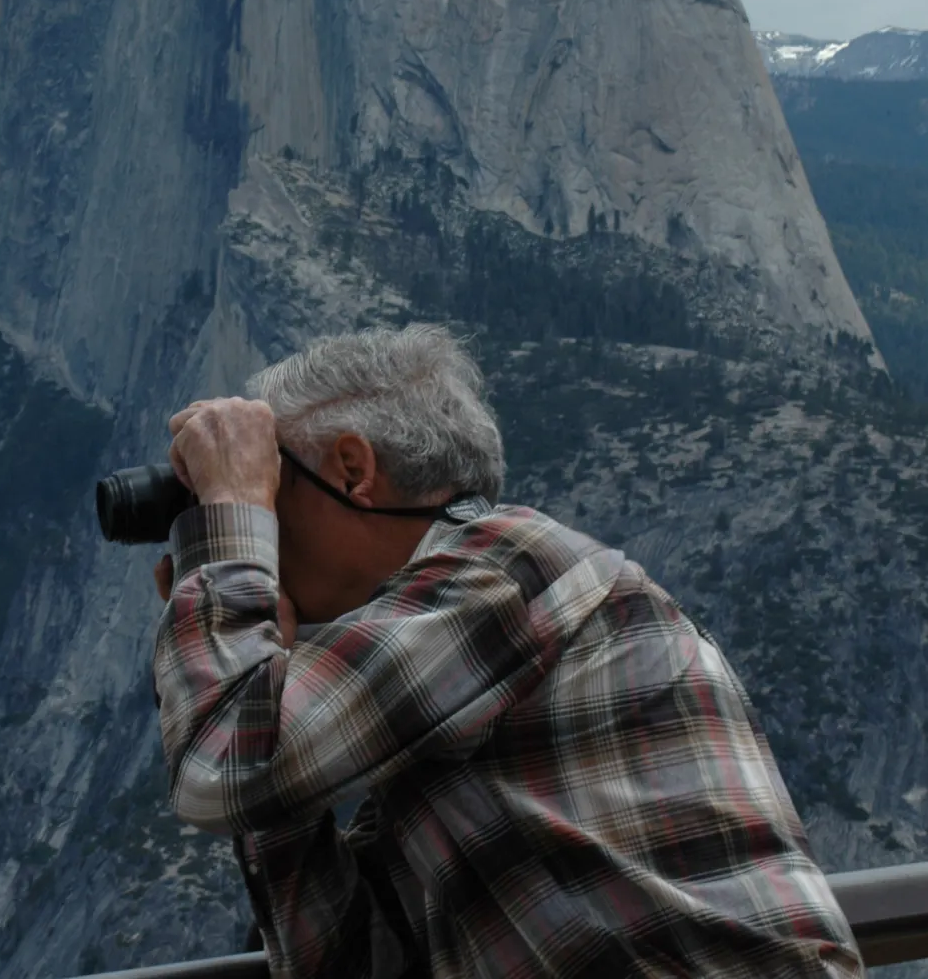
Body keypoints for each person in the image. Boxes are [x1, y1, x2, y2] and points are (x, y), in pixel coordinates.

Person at [153, 322, 865, 979]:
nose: (266, 523)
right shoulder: (445, 655)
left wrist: (230, 533)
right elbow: (352, 962)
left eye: (273, 486)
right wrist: (259, 657)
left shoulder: (507, 571)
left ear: (350, 470)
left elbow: (224, 771)